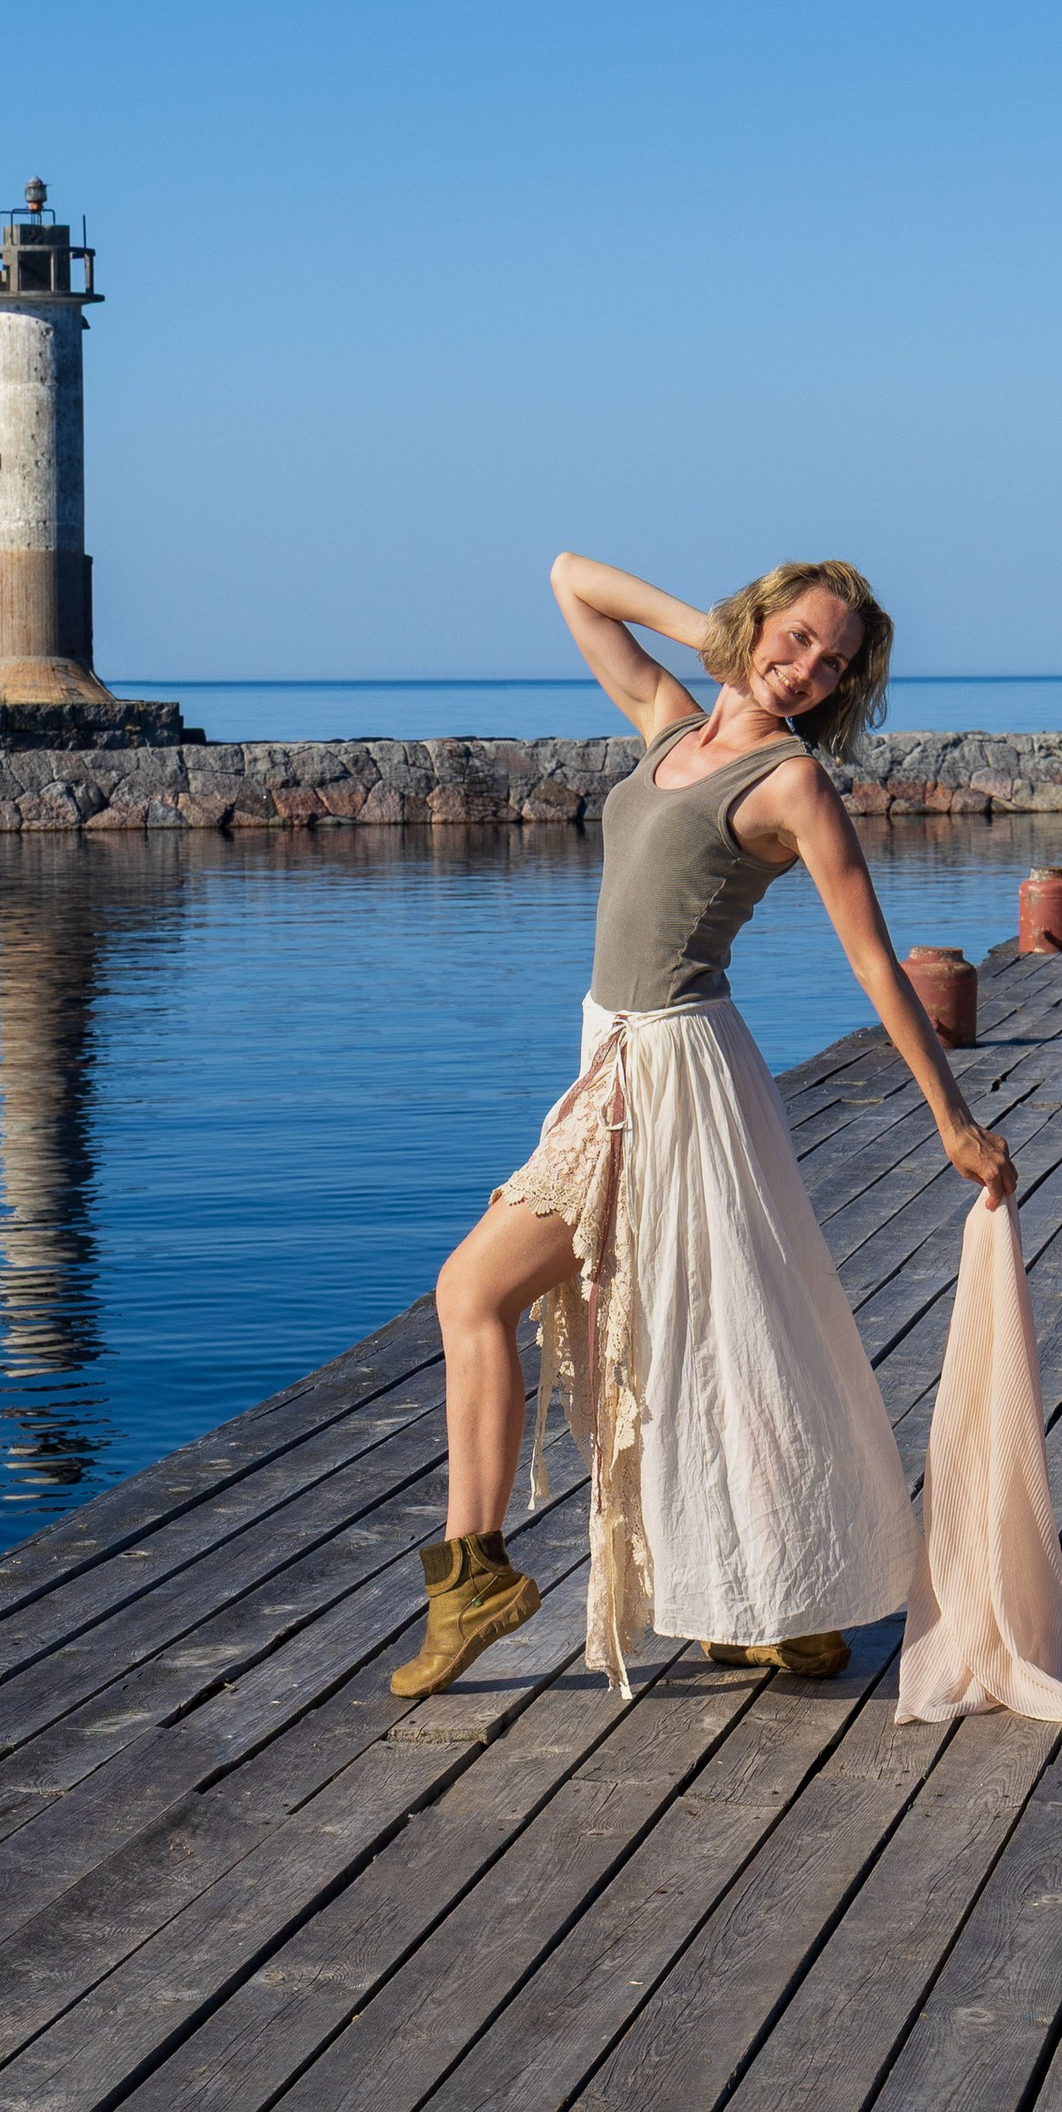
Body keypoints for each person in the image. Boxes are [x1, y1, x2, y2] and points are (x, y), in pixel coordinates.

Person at [394, 551, 1017, 1702]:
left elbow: (875, 964)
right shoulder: (667, 723)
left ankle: (473, 1575)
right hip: (612, 1058)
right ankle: (772, 1605)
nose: (806, 671)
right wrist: (722, 644)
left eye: (832, 665)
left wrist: (953, 1119)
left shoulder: (792, 786)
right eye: (795, 639)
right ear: (758, 621)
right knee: (703, 1333)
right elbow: (570, 579)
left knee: (480, 1292)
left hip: (667, 1074)